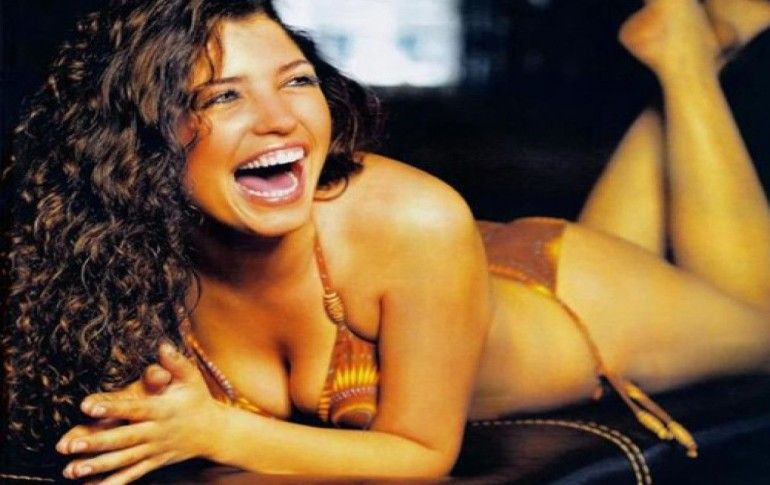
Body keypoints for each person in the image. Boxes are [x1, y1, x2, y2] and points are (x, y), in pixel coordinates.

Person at [1, 0, 769, 482]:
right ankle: (678, 54)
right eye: (224, 96)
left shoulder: (414, 214)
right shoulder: (120, 254)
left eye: (297, 80)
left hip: (577, 303)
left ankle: (682, 58)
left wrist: (219, 428)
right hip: (448, 285)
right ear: (138, 141)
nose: (280, 118)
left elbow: (421, 454)